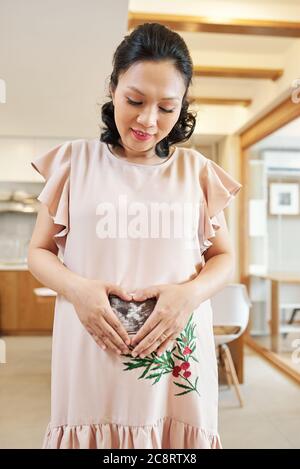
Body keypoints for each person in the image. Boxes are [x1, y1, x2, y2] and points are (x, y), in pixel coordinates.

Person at [28, 22, 242, 449]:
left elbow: (224, 257)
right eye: (135, 100)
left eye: (167, 107)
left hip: (175, 350)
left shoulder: (196, 172)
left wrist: (191, 295)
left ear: (183, 106)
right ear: (113, 88)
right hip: (92, 343)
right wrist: (78, 289)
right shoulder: (74, 162)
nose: (148, 120)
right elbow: (39, 252)